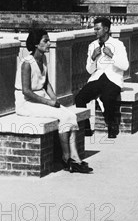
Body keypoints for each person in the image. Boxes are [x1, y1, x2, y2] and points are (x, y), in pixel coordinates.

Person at [16, 29, 92, 173]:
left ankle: (75, 158)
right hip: (26, 103)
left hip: (40, 99)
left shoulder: (43, 59)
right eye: (45, 41)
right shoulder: (27, 63)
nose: (49, 43)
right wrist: (49, 103)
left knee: (71, 115)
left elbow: (46, 83)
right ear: (36, 44)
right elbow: (26, 91)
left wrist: (54, 98)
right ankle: (66, 157)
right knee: (63, 117)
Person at [75, 17, 129, 139]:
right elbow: (89, 70)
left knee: (107, 97)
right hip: (97, 78)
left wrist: (111, 55)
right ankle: (86, 128)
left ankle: (111, 126)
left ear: (106, 29)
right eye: (95, 29)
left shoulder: (118, 44)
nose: (95, 32)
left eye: (98, 29)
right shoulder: (92, 45)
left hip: (113, 78)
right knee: (79, 98)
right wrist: (93, 57)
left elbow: (125, 66)